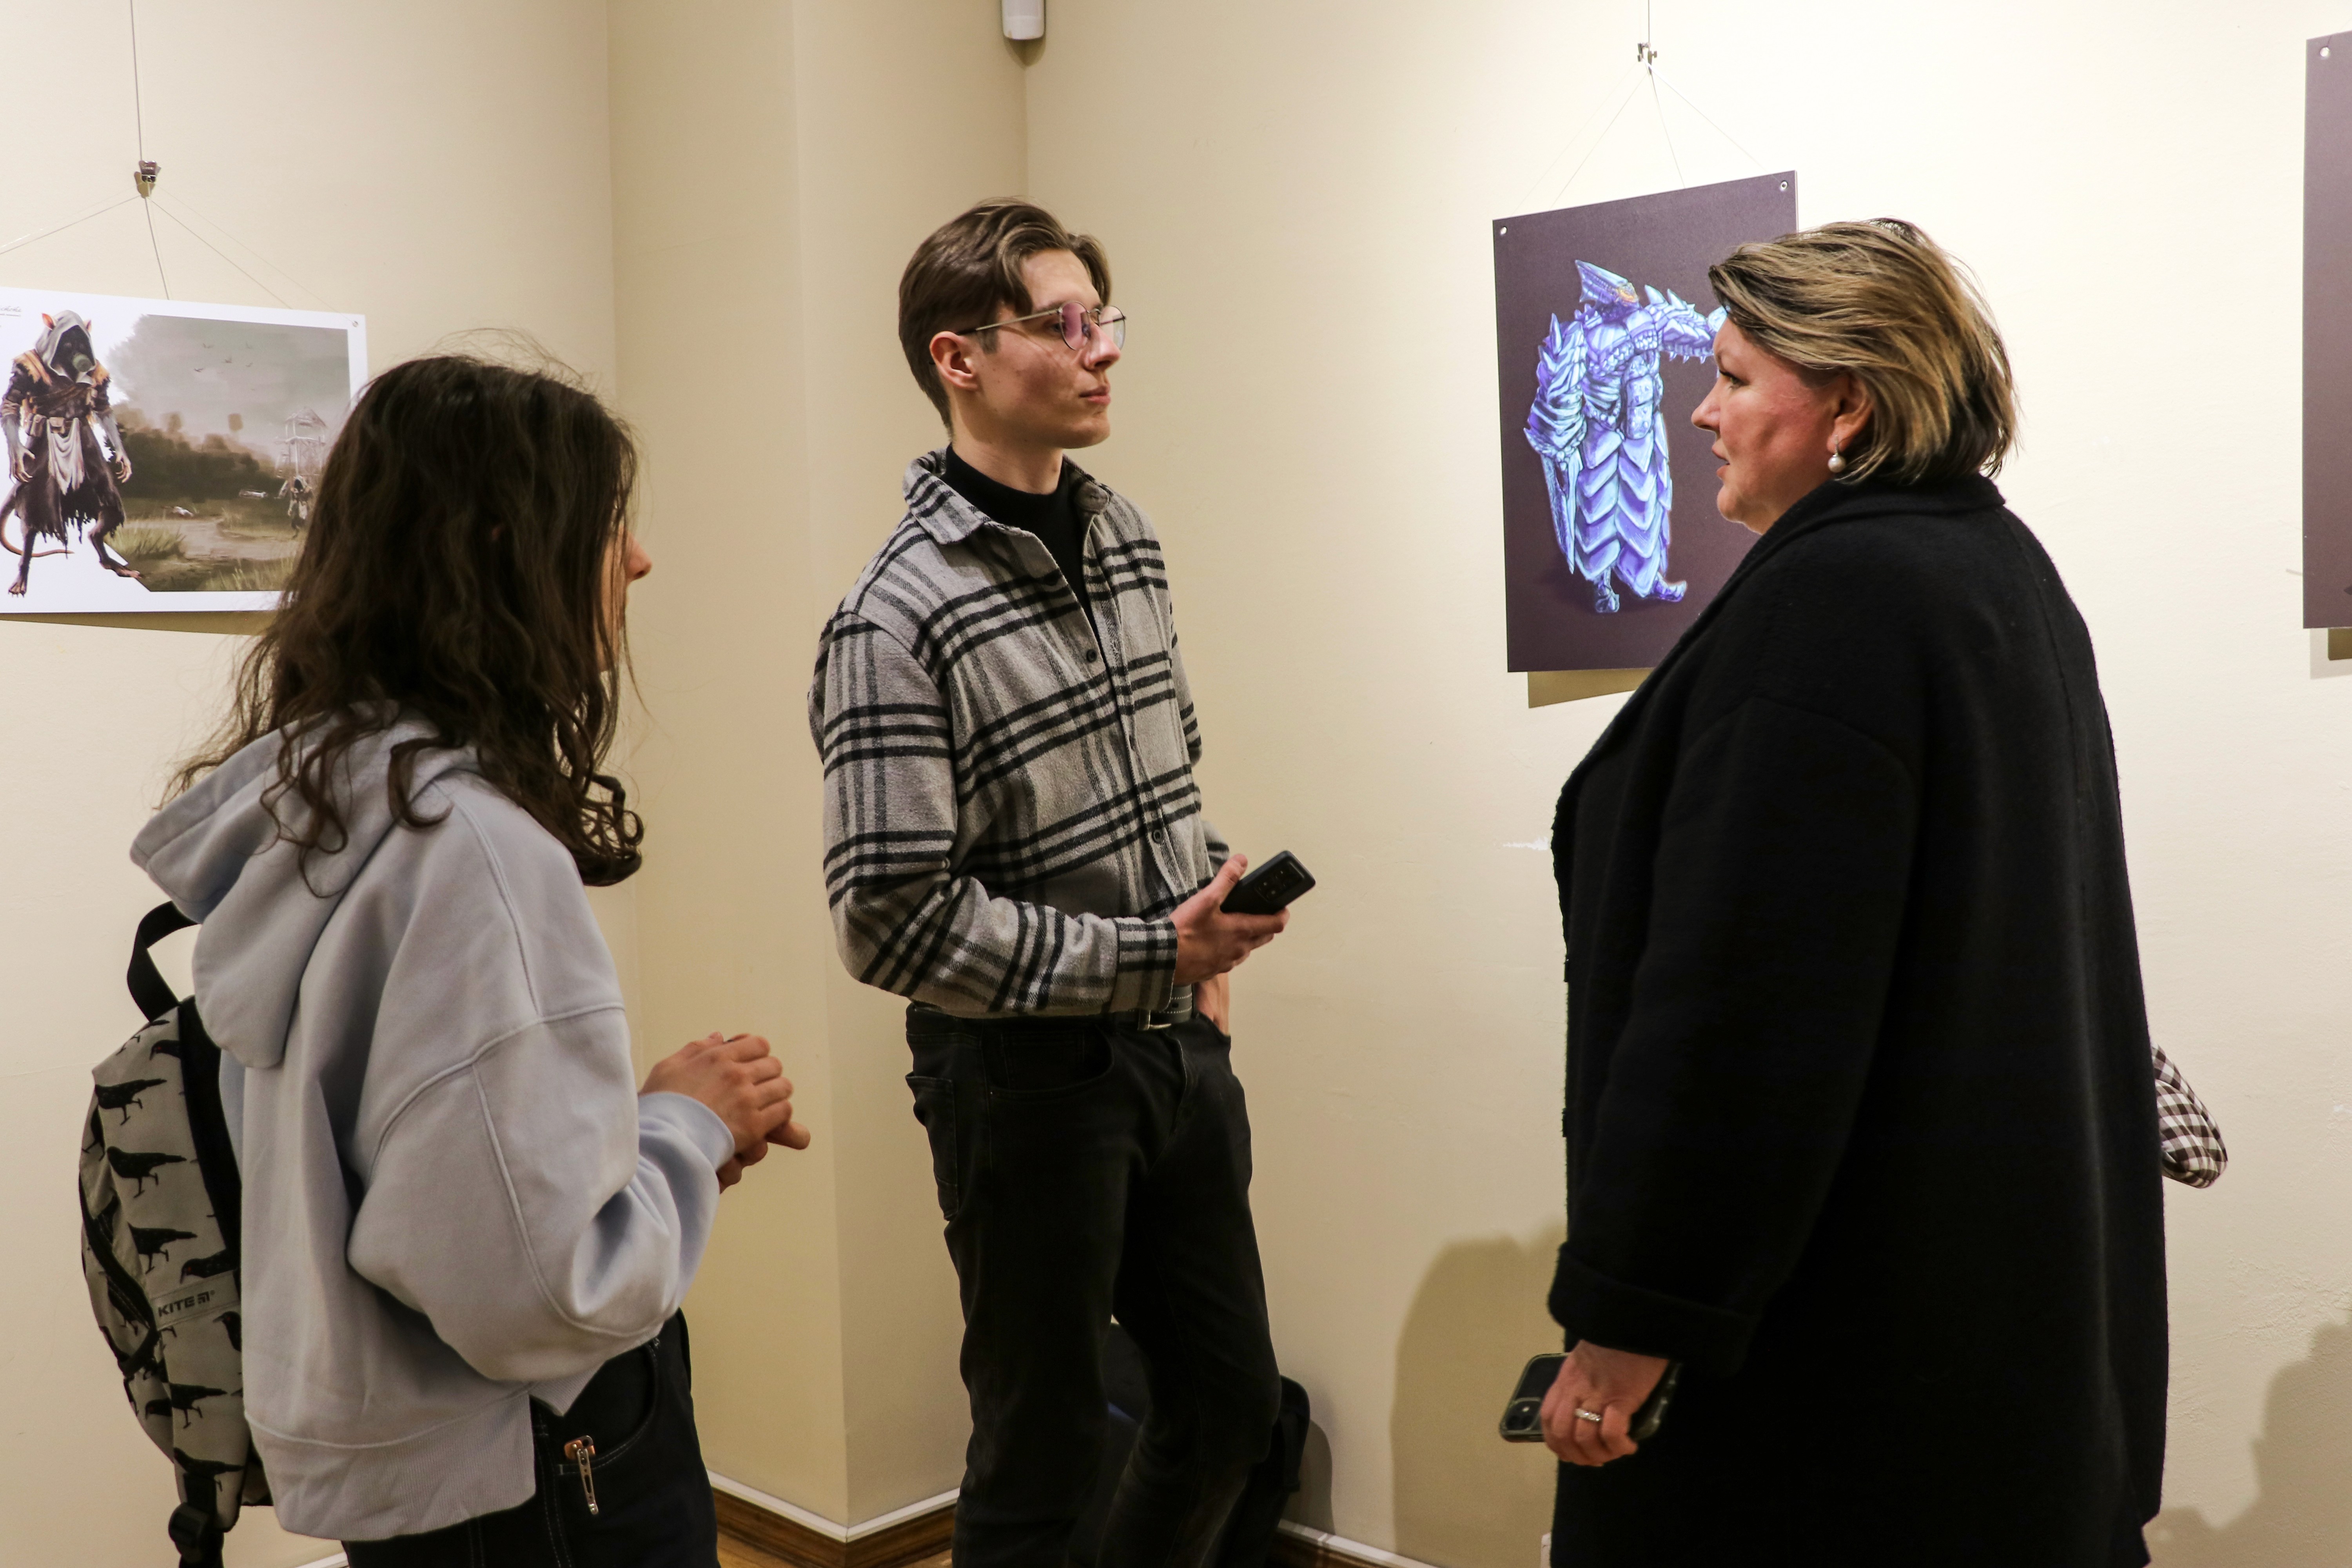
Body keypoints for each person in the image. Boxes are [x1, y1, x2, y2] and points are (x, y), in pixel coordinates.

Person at [1538, 220, 2167, 1567]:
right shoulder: (1997, 571)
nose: (1702, 412)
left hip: (1832, 1340)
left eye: (1734, 379)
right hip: (1973, 1310)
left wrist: (1637, 1316)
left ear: (1851, 407)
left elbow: (1745, 1008)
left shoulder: (1835, 602)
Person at [132, 354, 811, 1566]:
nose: (638, 562)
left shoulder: (330, 800)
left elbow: (442, 1181)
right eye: (606, 525)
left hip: (425, 1480)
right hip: (537, 1470)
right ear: (505, 547)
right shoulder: (473, 854)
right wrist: (686, 1127)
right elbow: (535, 1295)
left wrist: (628, 1136)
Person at [808, 199, 1289, 1568]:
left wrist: (1203, 907)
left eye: (1104, 320)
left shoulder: (1125, 535)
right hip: (1020, 1082)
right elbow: (890, 922)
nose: (1103, 350)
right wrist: (1156, 955)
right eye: (1064, 325)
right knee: (1043, 1453)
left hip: (1174, 1050)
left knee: (1230, 1406)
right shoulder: (893, 616)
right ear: (959, 359)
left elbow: (1167, 762)